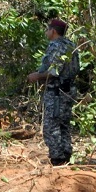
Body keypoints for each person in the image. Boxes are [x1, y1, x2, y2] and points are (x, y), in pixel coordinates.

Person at [27, 19, 80, 166]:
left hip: (57, 92)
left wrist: (37, 76)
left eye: (47, 29)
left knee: (51, 126)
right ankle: (66, 155)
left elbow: (54, 72)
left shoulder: (55, 46)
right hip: (69, 90)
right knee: (64, 124)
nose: (46, 32)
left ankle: (57, 159)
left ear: (53, 31)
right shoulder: (70, 44)